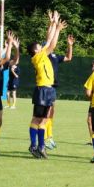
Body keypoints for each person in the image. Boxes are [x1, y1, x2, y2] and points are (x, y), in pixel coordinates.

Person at [27, 10, 66, 159]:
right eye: (39, 45)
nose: (41, 46)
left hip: (49, 90)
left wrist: (55, 26)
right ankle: (33, 145)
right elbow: (50, 42)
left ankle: (41, 147)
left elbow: (50, 42)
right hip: (42, 89)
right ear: (36, 50)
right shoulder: (37, 57)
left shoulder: (42, 55)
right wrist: (55, 25)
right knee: (36, 119)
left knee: (44, 120)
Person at [44, 34, 75, 149]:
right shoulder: (43, 56)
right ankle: (45, 138)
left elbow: (68, 57)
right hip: (46, 87)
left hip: (52, 88)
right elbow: (49, 40)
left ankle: (49, 136)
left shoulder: (54, 56)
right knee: (46, 113)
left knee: (51, 112)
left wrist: (70, 45)